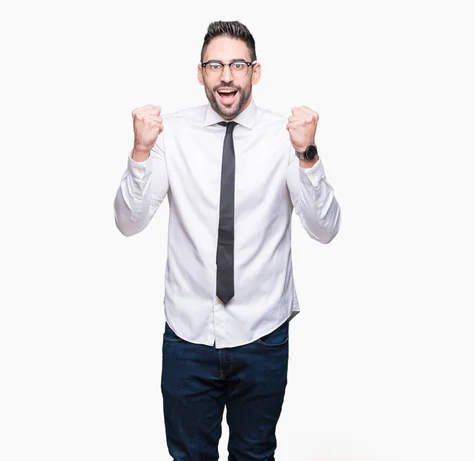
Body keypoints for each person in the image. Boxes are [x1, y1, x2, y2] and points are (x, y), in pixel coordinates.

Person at [113, 20, 341, 460]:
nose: (226, 76)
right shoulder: (170, 135)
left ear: (255, 72)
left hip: (262, 334)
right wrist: (140, 152)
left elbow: (325, 229)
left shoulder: (285, 139)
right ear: (200, 73)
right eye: (214, 65)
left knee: (255, 455)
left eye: (237, 64)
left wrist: (307, 155)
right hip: (187, 336)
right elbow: (128, 222)